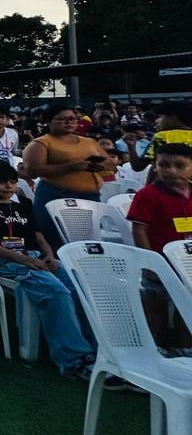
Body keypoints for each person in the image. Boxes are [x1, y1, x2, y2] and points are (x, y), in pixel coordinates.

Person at [0, 160, 97, 380]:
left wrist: (50, 256)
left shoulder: (23, 204)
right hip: (8, 262)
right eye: (1, 182)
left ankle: (95, 350)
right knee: (56, 292)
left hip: (38, 257)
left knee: (78, 288)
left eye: (12, 182)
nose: (8, 186)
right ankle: (72, 359)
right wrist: (21, 258)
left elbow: (39, 236)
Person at [126, 143, 192, 351]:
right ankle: (153, 346)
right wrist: (149, 262)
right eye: (164, 165)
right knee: (156, 303)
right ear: (155, 166)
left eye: (179, 165)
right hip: (160, 260)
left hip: (187, 261)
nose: (171, 170)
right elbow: (139, 229)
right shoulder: (148, 194)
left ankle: (184, 347)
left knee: (188, 305)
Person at [22, 106, 114, 248]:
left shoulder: (89, 142)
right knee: (56, 239)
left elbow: (107, 162)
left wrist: (100, 165)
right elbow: (32, 170)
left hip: (89, 197)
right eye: (62, 119)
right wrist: (70, 167)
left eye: (72, 119)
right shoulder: (41, 143)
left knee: (88, 241)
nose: (69, 122)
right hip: (56, 195)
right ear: (48, 121)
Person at [126, 101, 192, 175]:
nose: (156, 121)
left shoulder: (162, 136)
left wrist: (131, 147)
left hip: (169, 183)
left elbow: (138, 166)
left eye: (160, 117)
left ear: (173, 118)